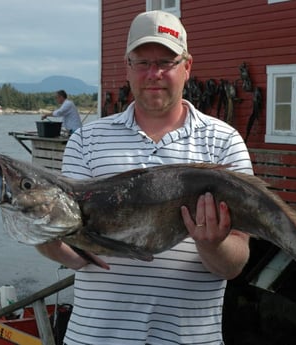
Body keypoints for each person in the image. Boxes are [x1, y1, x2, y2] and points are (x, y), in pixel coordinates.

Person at [36, 10, 254, 345]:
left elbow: (233, 265)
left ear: (187, 67)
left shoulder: (224, 142)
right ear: (127, 67)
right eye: (142, 62)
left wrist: (213, 244)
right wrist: (45, 238)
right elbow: (78, 255)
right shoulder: (86, 140)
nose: (154, 73)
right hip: (95, 338)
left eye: (166, 61)